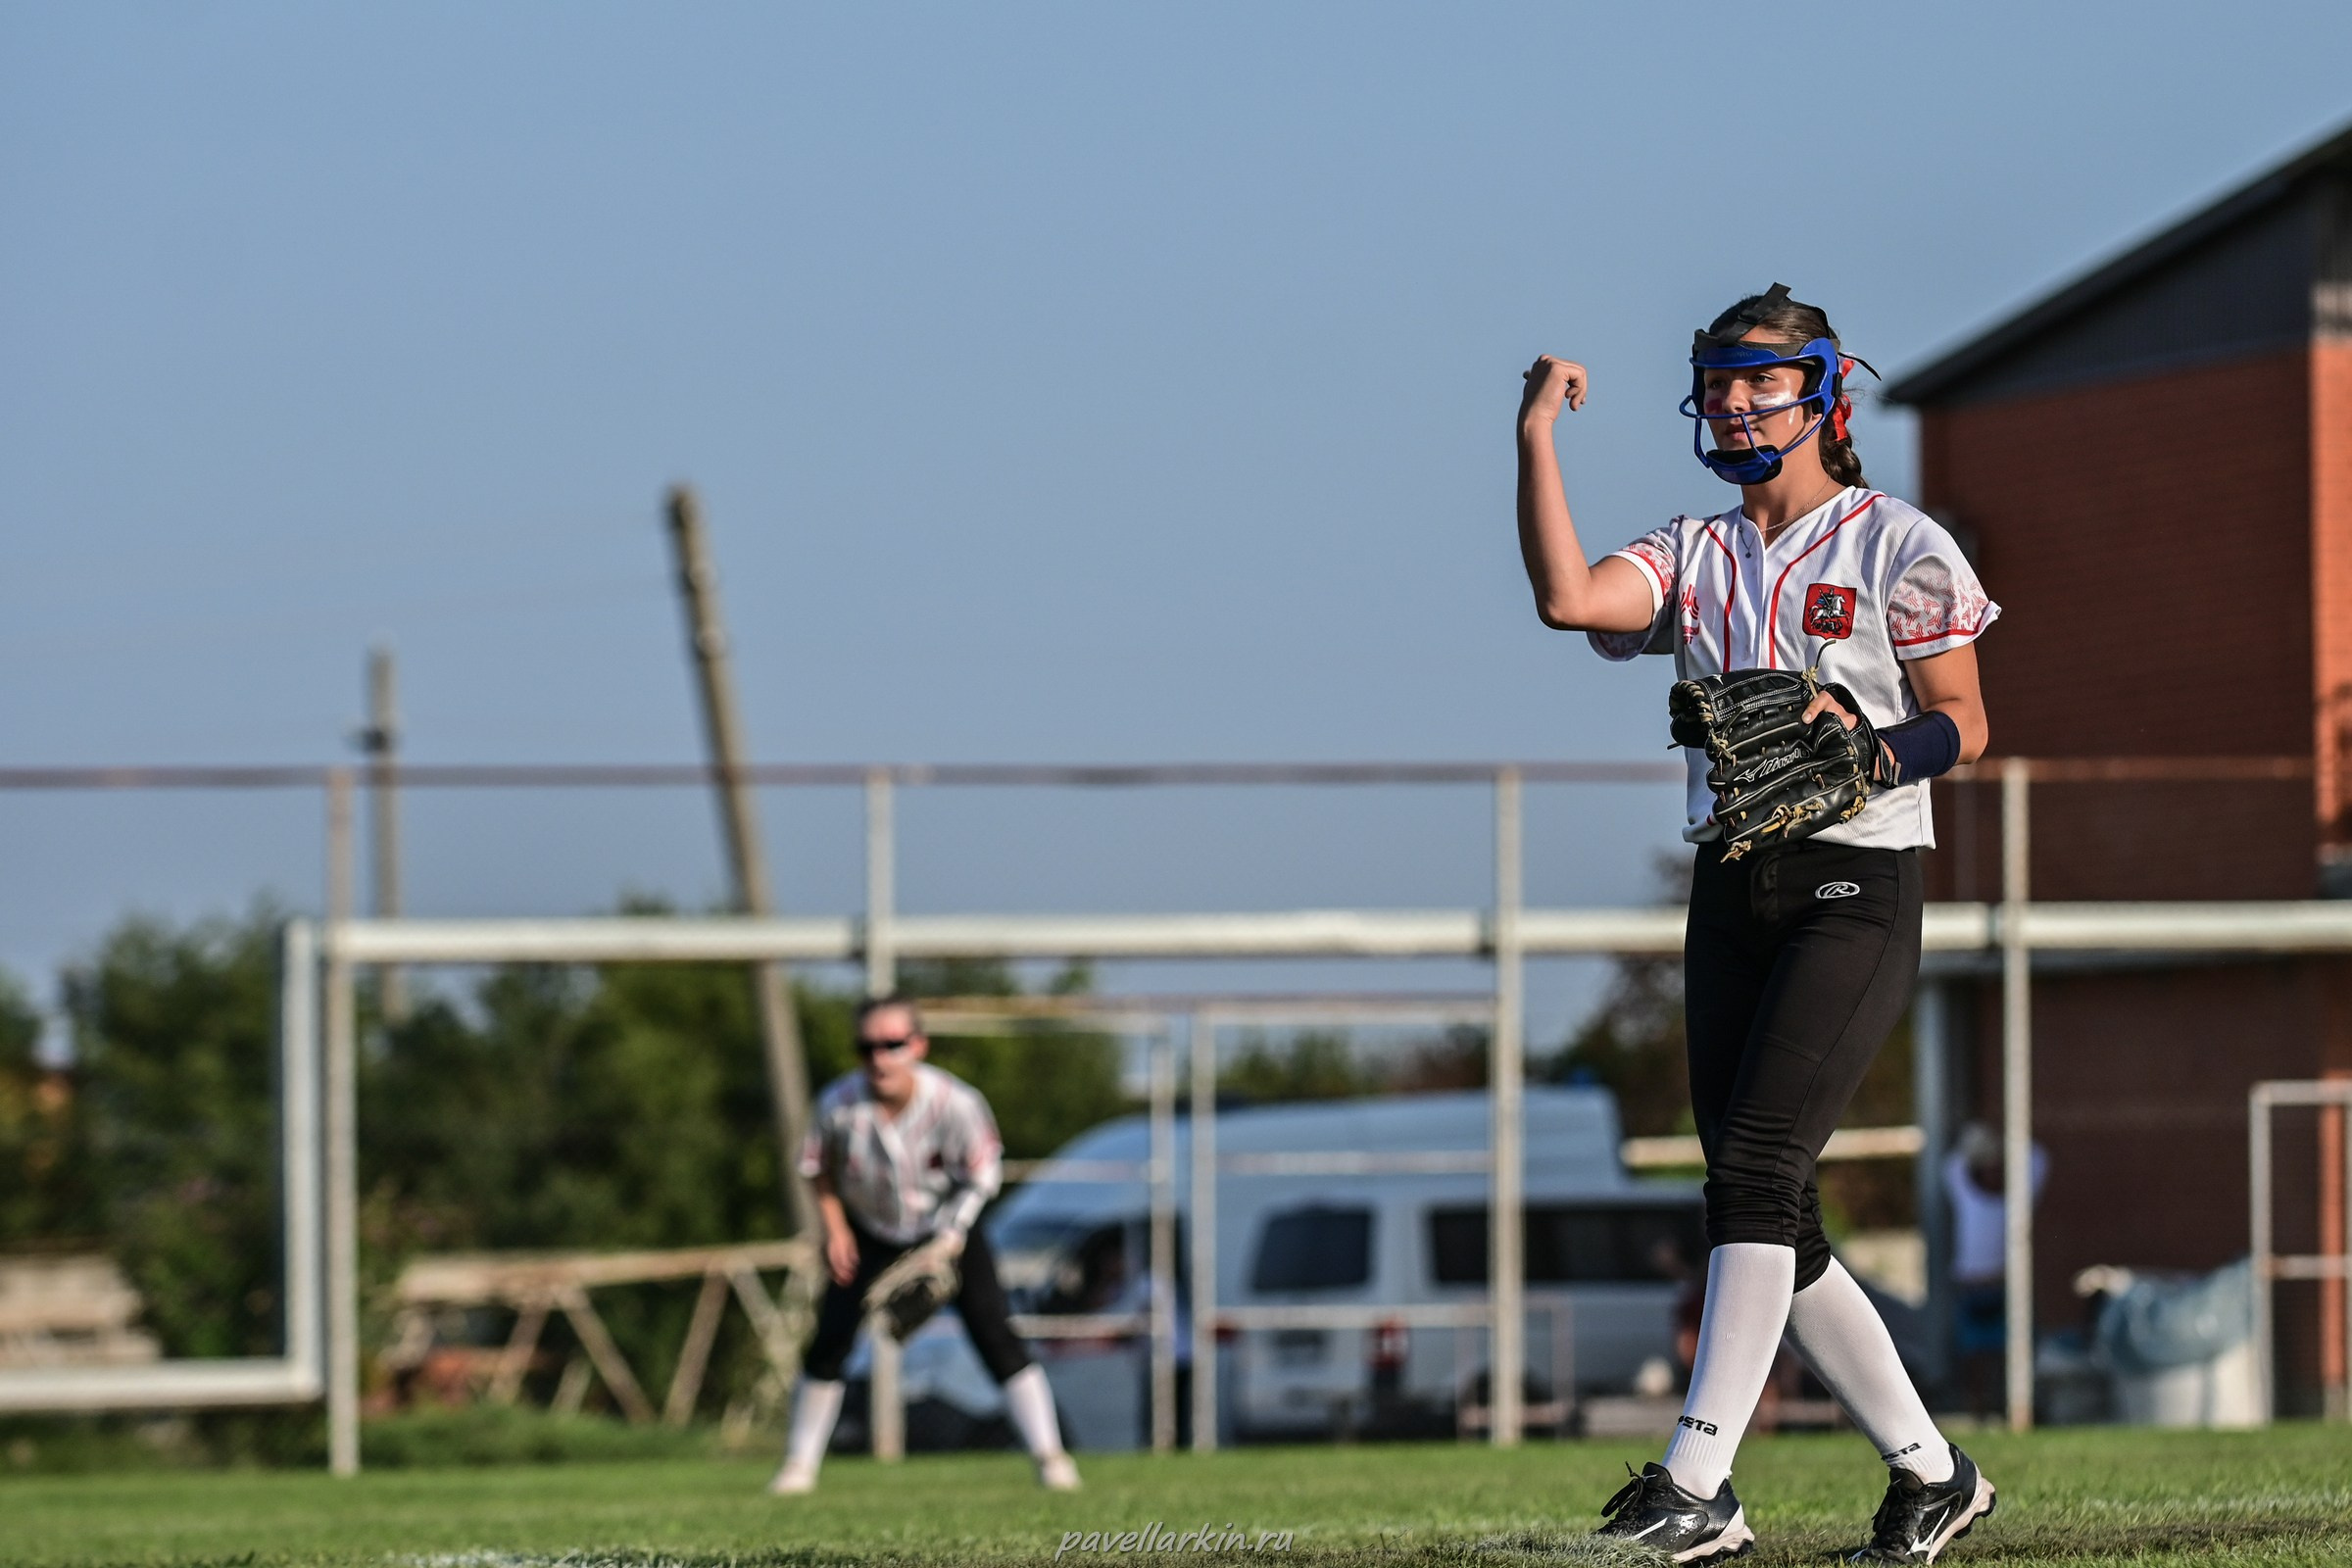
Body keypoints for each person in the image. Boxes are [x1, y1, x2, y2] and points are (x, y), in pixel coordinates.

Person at [1516, 285, 2001, 1563]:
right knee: (1772, 1211)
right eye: (1718, 382)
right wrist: (1534, 442)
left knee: (1755, 1172)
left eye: (1758, 380)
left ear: (1826, 393)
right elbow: (1571, 600)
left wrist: (1874, 748)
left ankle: (1700, 1482)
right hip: (1735, 886)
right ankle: (1933, 1475)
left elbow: (1967, 719)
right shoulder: (1696, 551)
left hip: (1857, 881)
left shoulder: (1900, 543)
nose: (1732, 402)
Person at [769, 995, 1080, 1494]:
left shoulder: (954, 1103)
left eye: (892, 1045)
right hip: (871, 1229)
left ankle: (1052, 1459)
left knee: (995, 1334)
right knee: (831, 1339)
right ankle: (798, 1467)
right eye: (866, 1047)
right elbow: (816, 1169)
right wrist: (836, 1229)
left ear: (917, 1045)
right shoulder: (840, 1105)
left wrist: (951, 1236)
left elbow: (984, 1174)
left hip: (947, 1227)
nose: (878, 1058)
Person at [1944, 1121, 2047, 1417]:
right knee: (1972, 1356)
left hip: (2004, 1289)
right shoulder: (1967, 1196)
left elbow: (2038, 1160)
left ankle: (2009, 1409)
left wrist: (2007, 1141)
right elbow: (1952, 1168)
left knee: (2011, 1354)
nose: (1992, 1173)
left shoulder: (2017, 1203)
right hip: (1971, 1289)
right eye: (1985, 1166)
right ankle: (1977, 1409)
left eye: (1997, 1167)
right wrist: (1979, 1145)